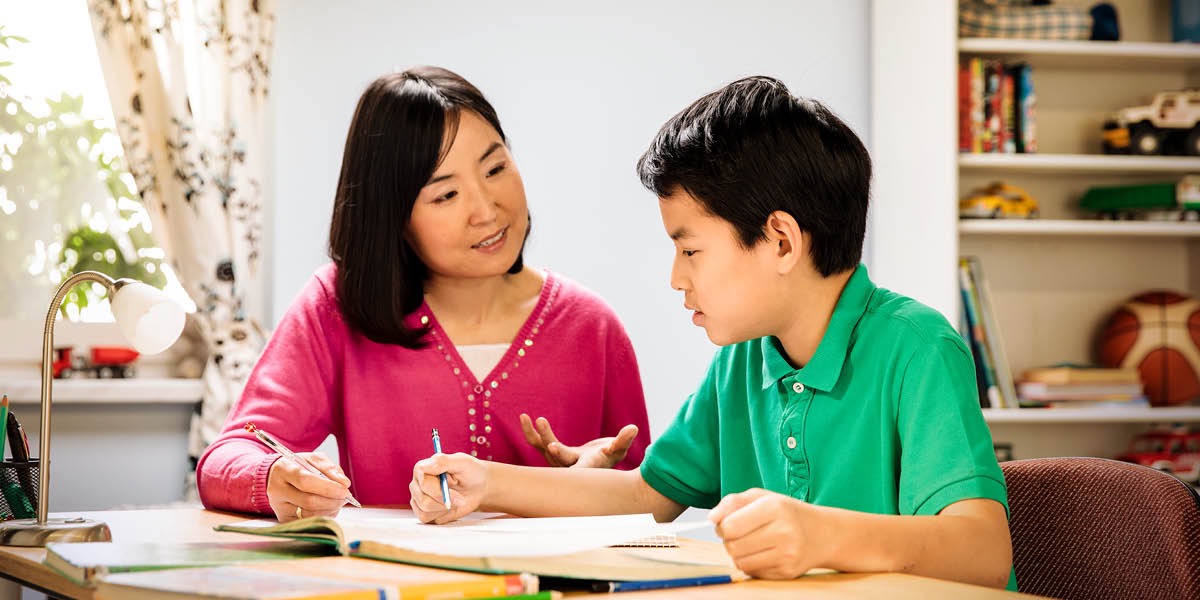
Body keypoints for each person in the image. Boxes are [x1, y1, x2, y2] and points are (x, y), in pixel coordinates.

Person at [409, 76, 1015, 589]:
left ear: (780, 240)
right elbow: (648, 495)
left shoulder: (916, 348)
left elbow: (984, 552)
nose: (676, 278)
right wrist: (486, 481)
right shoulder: (745, 359)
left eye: (691, 249)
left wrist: (821, 534)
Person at [197, 66, 650, 522]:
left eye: (495, 168)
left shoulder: (592, 327)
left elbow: (648, 500)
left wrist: (596, 481)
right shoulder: (337, 307)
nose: (486, 209)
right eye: (446, 195)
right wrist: (275, 475)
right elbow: (225, 460)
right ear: (392, 216)